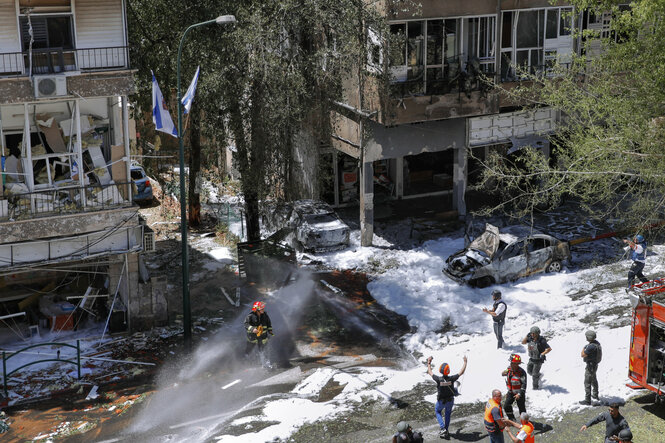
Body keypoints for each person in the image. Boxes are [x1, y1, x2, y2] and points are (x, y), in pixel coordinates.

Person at [427, 355, 468, 439]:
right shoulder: (452, 379)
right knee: (448, 414)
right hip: (450, 400)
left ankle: (443, 428)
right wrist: (465, 362)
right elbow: (461, 372)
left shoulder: (438, 379)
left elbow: (430, 372)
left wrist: (429, 362)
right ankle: (446, 429)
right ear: (448, 371)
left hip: (441, 401)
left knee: (437, 411)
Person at [243, 301, 274, 368]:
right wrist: (252, 329)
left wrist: (270, 330)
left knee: (263, 350)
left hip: (262, 337)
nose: (263, 310)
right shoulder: (250, 316)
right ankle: (246, 360)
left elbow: (268, 323)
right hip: (252, 337)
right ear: (257, 310)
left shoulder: (265, 315)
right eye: (261, 309)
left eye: (263, 308)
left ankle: (265, 365)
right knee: (249, 349)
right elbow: (246, 324)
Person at [502, 354, 527, 422]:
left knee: (521, 408)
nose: (514, 365)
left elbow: (524, 384)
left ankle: (525, 422)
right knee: (506, 406)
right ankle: (512, 419)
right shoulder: (509, 368)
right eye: (512, 363)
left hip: (519, 393)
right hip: (511, 392)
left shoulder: (521, 372)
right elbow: (505, 372)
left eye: (516, 364)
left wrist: (519, 394)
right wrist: (504, 373)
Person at [580, 329, 602, 405]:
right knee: (593, 380)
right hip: (594, 365)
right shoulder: (596, 344)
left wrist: (583, 349)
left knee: (587, 382)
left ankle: (587, 400)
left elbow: (582, 355)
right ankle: (595, 395)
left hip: (590, 366)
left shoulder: (591, 347)